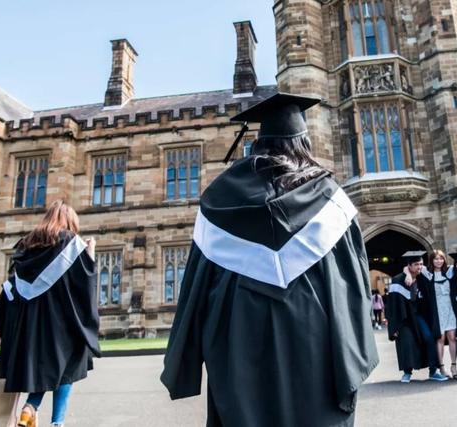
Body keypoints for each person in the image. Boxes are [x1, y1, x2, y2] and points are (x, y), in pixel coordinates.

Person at [160, 93, 379, 426]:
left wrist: (186, 361)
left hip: (237, 336)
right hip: (315, 334)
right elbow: (353, 282)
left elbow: (196, 287)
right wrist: (353, 351)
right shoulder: (328, 197)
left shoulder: (220, 199)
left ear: (259, 143)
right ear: (303, 143)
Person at [0, 200, 101, 427]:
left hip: (29, 326)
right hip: (61, 324)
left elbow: (11, 287)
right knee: (69, 367)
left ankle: (30, 409)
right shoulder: (71, 243)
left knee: (47, 368)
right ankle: (56, 422)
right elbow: (84, 285)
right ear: (69, 222)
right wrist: (90, 254)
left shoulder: (26, 245)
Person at [385, 250, 448, 383]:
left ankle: (433, 371)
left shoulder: (423, 277)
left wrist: (409, 273)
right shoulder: (397, 281)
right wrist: (393, 327)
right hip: (404, 318)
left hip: (419, 316)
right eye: (416, 264)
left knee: (429, 338)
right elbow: (392, 306)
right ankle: (407, 372)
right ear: (409, 266)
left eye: (421, 264)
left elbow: (431, 276)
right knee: (407, 342)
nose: (419, 267)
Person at [417, 250, 457, 379]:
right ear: (431, 260)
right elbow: (409, 267)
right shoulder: (427, 273)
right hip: (436, 311)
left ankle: (454, 366)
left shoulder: (450, 271)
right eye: (436, 259)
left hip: (450, 308)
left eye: (441, 258)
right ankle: (441, 367)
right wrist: (408, 274)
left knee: (452, 337)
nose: (439, 261)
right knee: (440, 338)